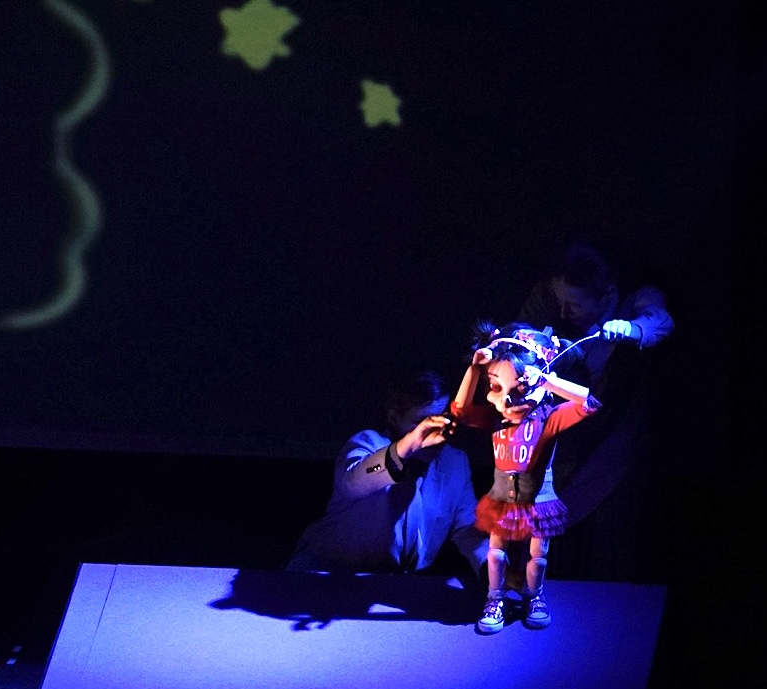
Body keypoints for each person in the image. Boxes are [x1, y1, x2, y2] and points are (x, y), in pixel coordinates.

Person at [517, 242, 673, 581]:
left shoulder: (635, 300)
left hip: (611, 454)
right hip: (558, 453)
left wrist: (631, 329)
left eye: (573, 305)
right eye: (560, 301)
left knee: (604, 550)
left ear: (606, 297)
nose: (563, 313)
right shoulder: (549, 303)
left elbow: (660, 322)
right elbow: (520, 330)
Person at [449, 324, 599, 635]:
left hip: (539, 498)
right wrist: (475, 369)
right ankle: (495, 598)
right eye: (496, 387)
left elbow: (589, 404)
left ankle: (534, 596)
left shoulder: (549, 417)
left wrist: (546, 380)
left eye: (519, 388)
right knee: (495, 553)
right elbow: (461, 410)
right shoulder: (495, 419)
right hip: (502, 497)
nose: (508, 400)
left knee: (538, 556)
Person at [286, 370, 486, 578]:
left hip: (390, 582)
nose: (438, 431)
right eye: (424, 422)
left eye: (443, 419)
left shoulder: (454, 462)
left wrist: (492, 567)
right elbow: (353, 481)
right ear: (394, 418)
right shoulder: (368, 444)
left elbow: (467, 528)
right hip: (324, 573)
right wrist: (409, 446)